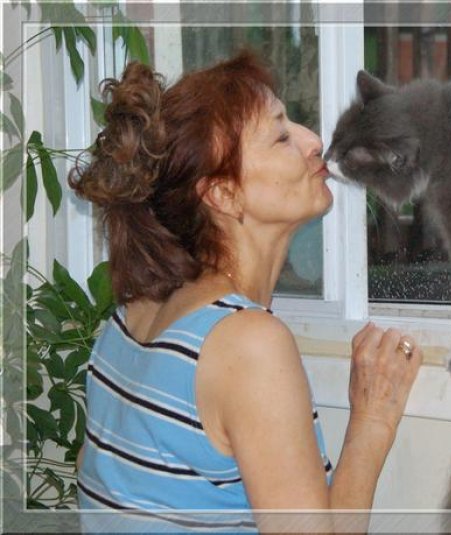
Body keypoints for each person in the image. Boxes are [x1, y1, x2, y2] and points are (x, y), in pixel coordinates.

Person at [70, 51, 423, 533]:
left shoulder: (133, 315)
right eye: (281, 136)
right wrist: (373, 421)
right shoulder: (248, 344)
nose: (314, 141)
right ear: (223, 193)